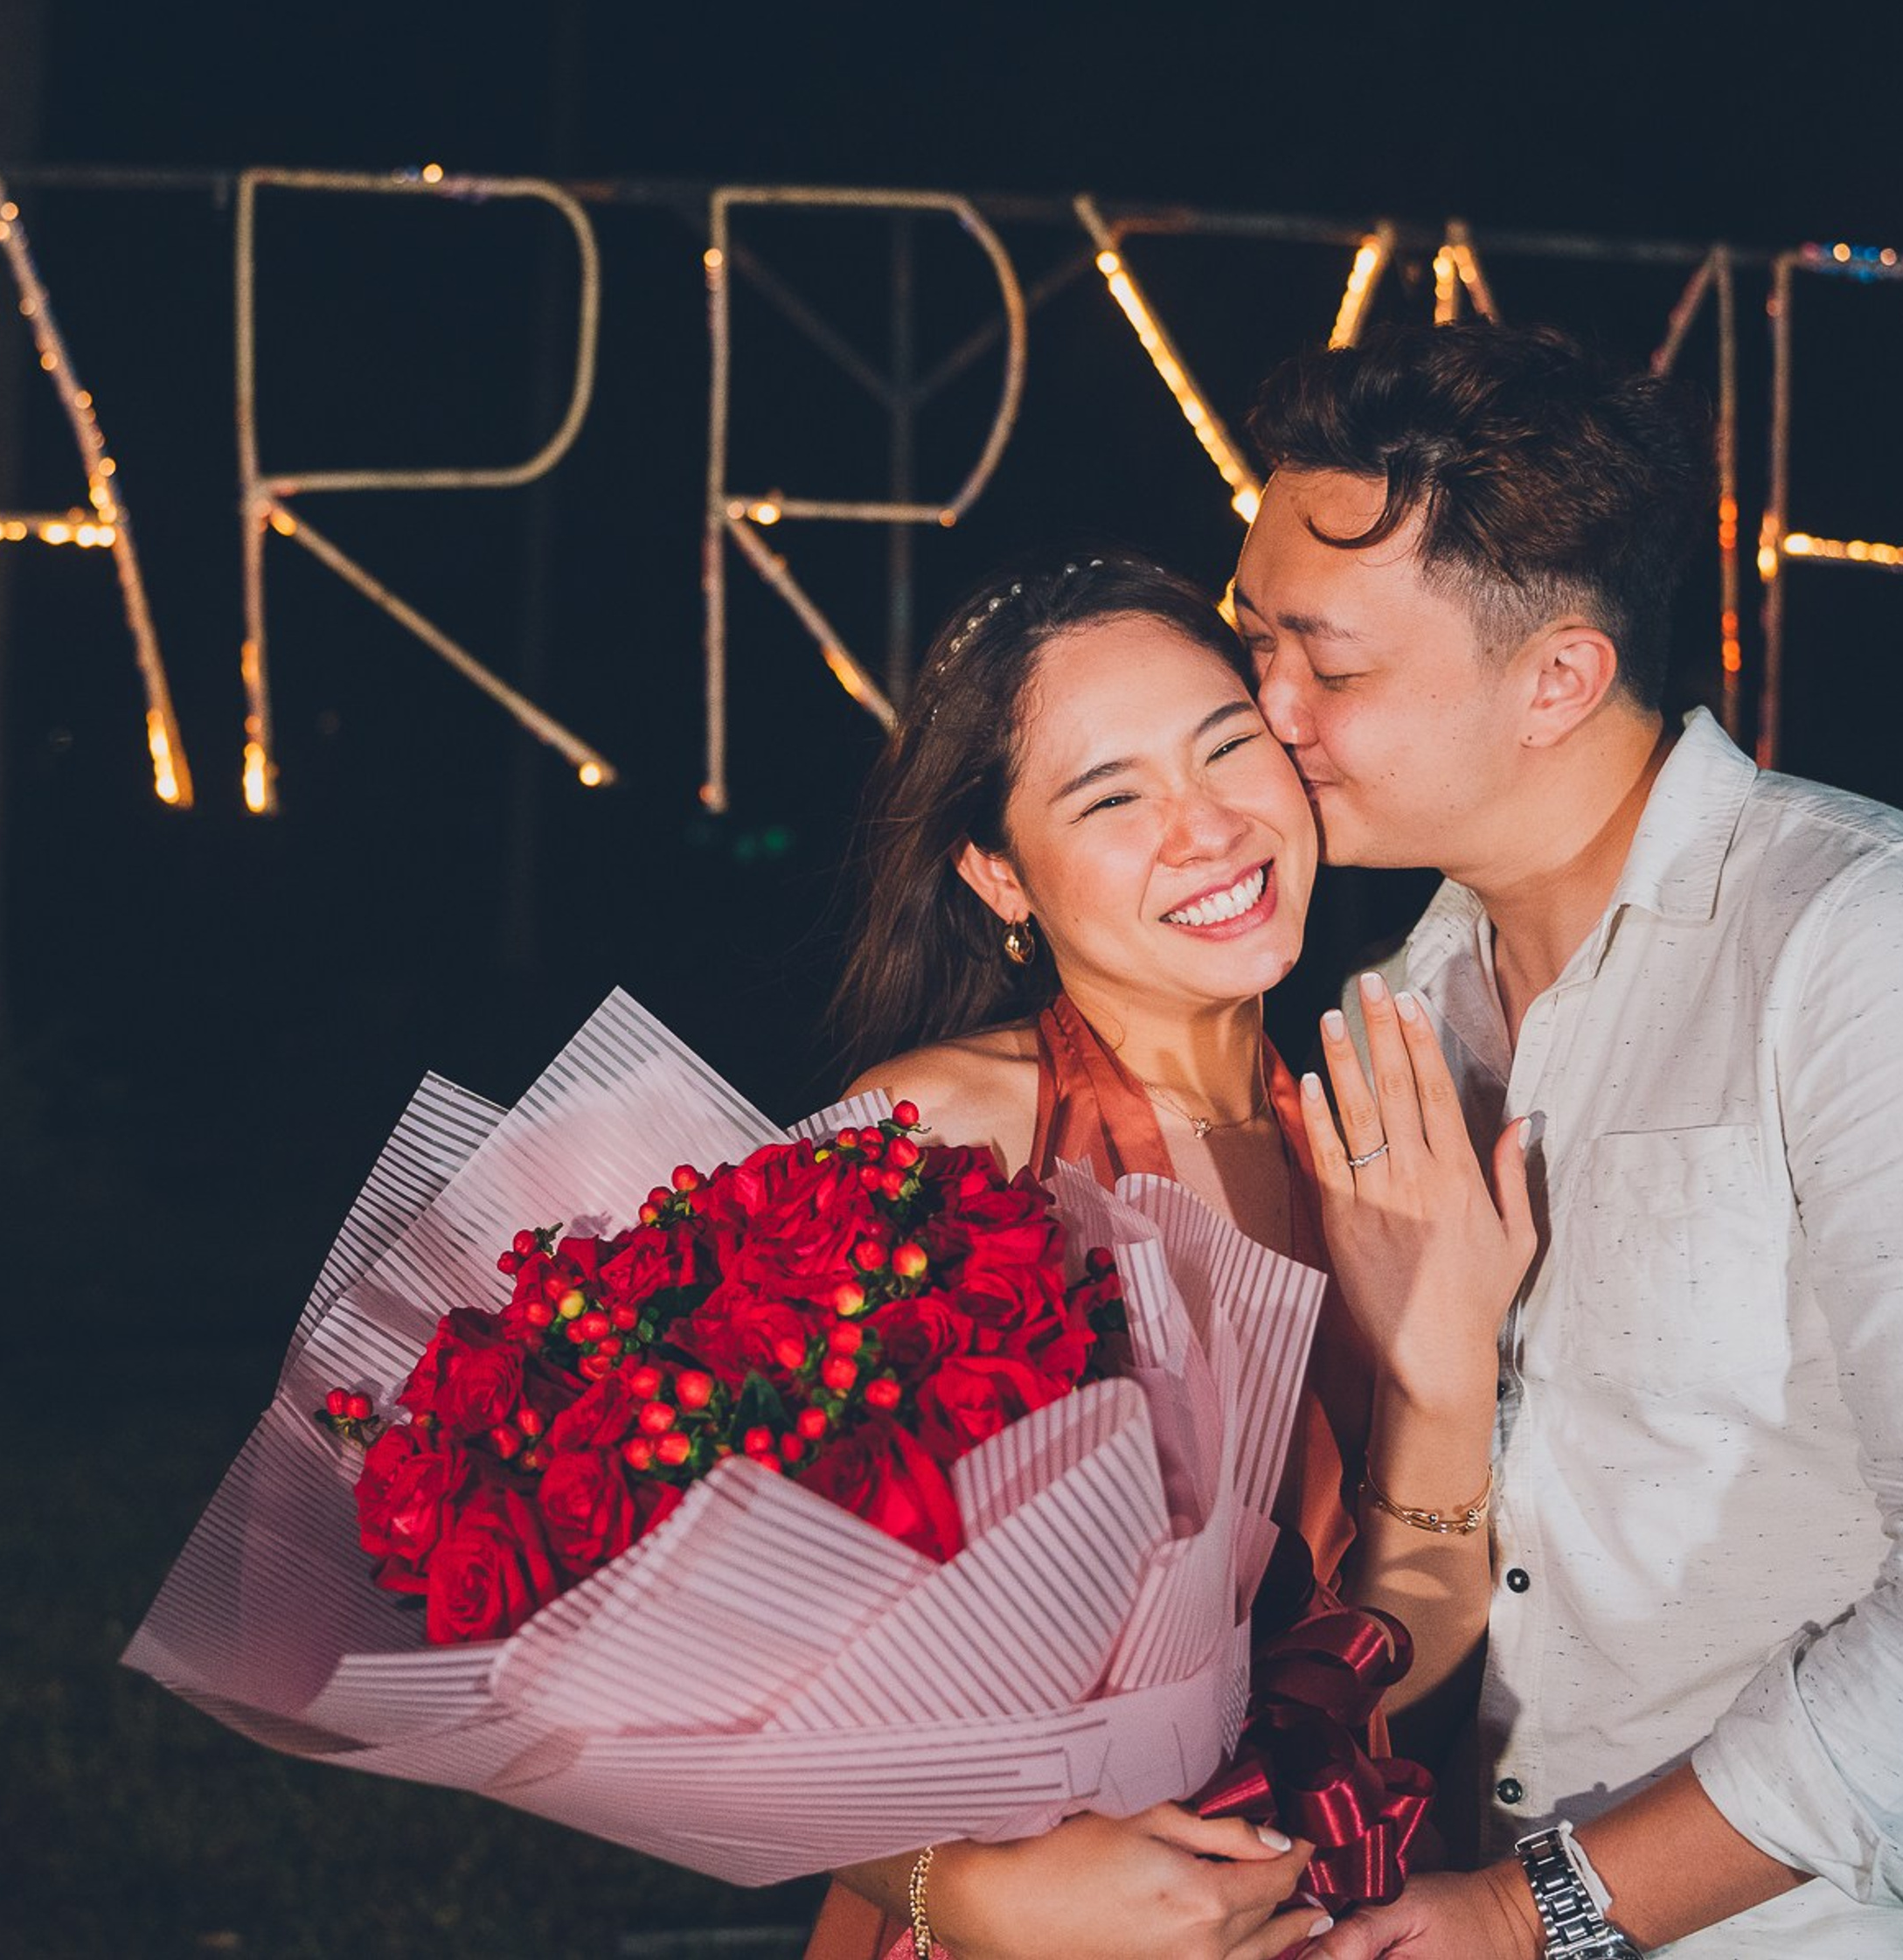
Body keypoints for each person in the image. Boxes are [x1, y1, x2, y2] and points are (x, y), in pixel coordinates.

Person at [1231, 322, 1903, 1957]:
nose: (1266, 714)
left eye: (1330, 664)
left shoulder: (1843, 949)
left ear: (1557, 679)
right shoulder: (1396, 1007)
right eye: (1253, 647)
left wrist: (1550, 1913)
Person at [801, 552, 1535, 1960]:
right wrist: (965, 1887)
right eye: (1113, 796)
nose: (1206, 829)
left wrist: (1444, 1389)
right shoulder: (930, 1140)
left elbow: (1392, 1662)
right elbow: (707, 1660)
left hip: (1332, 1908)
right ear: (996, 869)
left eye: (1229, 748)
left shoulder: (1377, 1130)